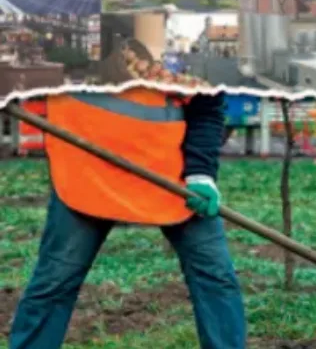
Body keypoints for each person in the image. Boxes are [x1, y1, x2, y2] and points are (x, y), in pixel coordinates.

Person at [8, 88, 246, 349]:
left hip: (169, 170)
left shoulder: (188, 53)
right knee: (55, 280)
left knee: (215, 277)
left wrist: (201, 173)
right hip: (86, 166)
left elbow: (207, 105)